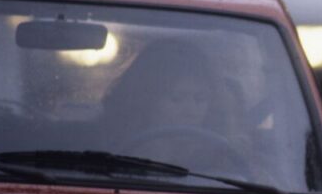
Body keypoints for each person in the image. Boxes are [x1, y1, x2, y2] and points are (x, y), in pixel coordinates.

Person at [101, 38, 244, 169]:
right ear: (147, 101)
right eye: (176, 98)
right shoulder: (110, 150)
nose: (190, 111)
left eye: (200, 99)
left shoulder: (225, 154)